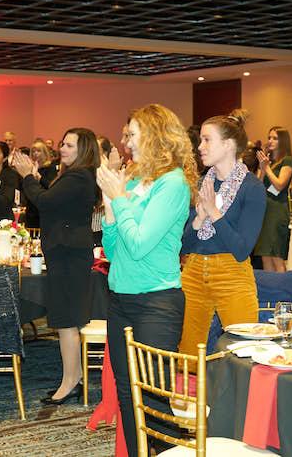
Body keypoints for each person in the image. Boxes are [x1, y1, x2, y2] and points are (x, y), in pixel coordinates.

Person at [96, 104, 197, 456]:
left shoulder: (173, 184)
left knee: (154, 395)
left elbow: (139, 244)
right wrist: (110, 203)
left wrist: (119, 198)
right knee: (128, 394)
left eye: (133, 134)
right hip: (121, 299)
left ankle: (175, 452)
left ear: (154, 136)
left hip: (157, 302)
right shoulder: (136, 181)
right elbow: (114, 246)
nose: (127, 142)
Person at [11, 128, 99, 404]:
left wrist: (27, 176)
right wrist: (35, 178)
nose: (63, 148)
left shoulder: (79, 175)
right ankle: (76, 377)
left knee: (66, 320)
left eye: (70, 145)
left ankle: (70, 381)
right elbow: (54, 199)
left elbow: (46, 202)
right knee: (67, 319)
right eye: (62, 143)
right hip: (68, 252)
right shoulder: (75, 175)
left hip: (69, 255)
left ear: (83, 150)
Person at [178, 110, 266, 356]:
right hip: (194, 271)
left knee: (244, 349)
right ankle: (187, 397)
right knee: (187, 350)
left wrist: (214, 214)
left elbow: (241, 250)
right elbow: (183, 246)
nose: (200, 147)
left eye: (207, 140)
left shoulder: (252, 188)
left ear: (228, 145)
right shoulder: (200, 185)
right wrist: (199, 220)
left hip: (233, 273)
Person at [254, 126, 292, 271]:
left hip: (277, 211)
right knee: (265, 255)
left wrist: (267, 168)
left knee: (276, 256)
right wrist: (263, 167)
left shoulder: (287, 160)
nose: (270, 141)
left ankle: (283, 292)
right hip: (264, 210)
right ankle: (270, 292)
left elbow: (279, 185)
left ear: (282, 141)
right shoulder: (268, 161)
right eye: (269, 137)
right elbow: (258, 185)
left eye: (275, 138)